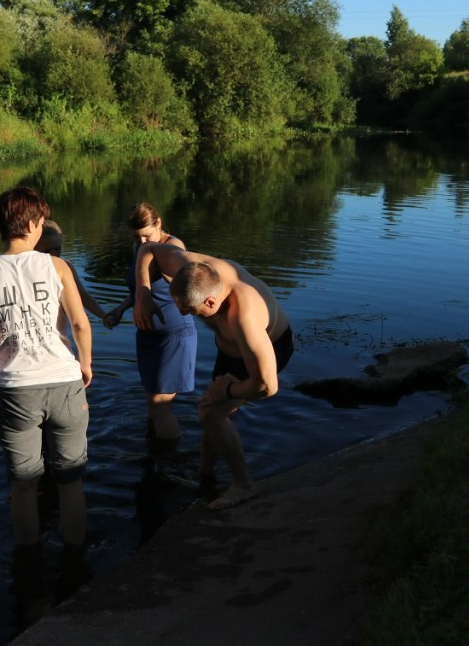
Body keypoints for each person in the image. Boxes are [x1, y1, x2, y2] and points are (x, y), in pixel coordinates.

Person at [0, 187, 93, 553]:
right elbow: (80, 325)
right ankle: (77, 562)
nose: (43, 227)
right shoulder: (56, 266)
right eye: (41, 221)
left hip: (14, 391)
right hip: (64, 382)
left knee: (24, 485)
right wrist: (86, 364)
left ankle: (29, 566)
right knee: (70, 481)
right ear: (30, 224)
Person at [132, 242, 293, 509]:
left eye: (190, 311)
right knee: (209, 409)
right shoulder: (187, 267)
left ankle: (243, 485)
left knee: (212, 411)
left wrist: (228, 391)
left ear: (210, 301)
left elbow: (267, 386)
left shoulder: (244, 315)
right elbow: (148, 248)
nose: (183, 314)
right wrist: (142, 294)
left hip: (270, 348)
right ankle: (205, 476)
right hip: (230, 349)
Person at [102, 204, 198, 447]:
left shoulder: (173, 247)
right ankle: (154, 455)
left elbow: (185, 284)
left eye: (147, 234)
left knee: (160, 407)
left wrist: (168, 272)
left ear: (159, 223)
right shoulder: (138, 247)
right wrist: (121, 309)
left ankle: (169, 459)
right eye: (137, 236)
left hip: (173, 333)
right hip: (147, 333)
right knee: (152, 405)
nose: (143, 240)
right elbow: (141, 291)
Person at [37, 219, 109, 340]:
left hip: (55, 333)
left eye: (57, 248)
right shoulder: (28, 269)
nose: (53, 254)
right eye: (47, 251)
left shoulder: (65, 267)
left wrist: (104, 316)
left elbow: (83, 297)